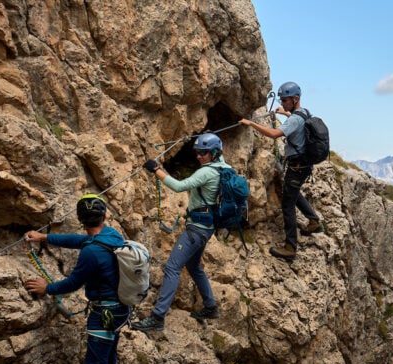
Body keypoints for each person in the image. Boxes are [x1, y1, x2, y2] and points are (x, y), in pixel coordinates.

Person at [24, 194, 135, 364]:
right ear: (104, 215)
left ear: (80, 220)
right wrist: (46, 237)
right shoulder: (111, 235)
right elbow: (80, 240)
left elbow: (73, 283)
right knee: (107, 358)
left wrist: (47, 288)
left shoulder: (91, 253)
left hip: (104, 313)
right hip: (120, 308)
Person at [131, 133, 228, 332]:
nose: (199, 156)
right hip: (207, 228)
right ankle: (210, 307)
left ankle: (157, 317)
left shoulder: (206, 173)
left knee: (172, 268)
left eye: (203, 153)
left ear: (214, 153)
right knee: (194, 267)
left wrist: (156, 169)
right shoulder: (224, 168)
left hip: (196, 229)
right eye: (197, 153)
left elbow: (178, 186)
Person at [239, 81, 323, 261]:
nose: (283, 102)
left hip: (297, 166)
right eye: (282, 100)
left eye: (285, 100)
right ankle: (314, 220)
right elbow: (297, 122)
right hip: (305, 165)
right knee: (293, 192)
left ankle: (290, 247)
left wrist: (251, 124)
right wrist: (284, 113)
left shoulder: (294, 119)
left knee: (287, 204)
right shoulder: (304, 112)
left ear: (295, 99)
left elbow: (275, 134)